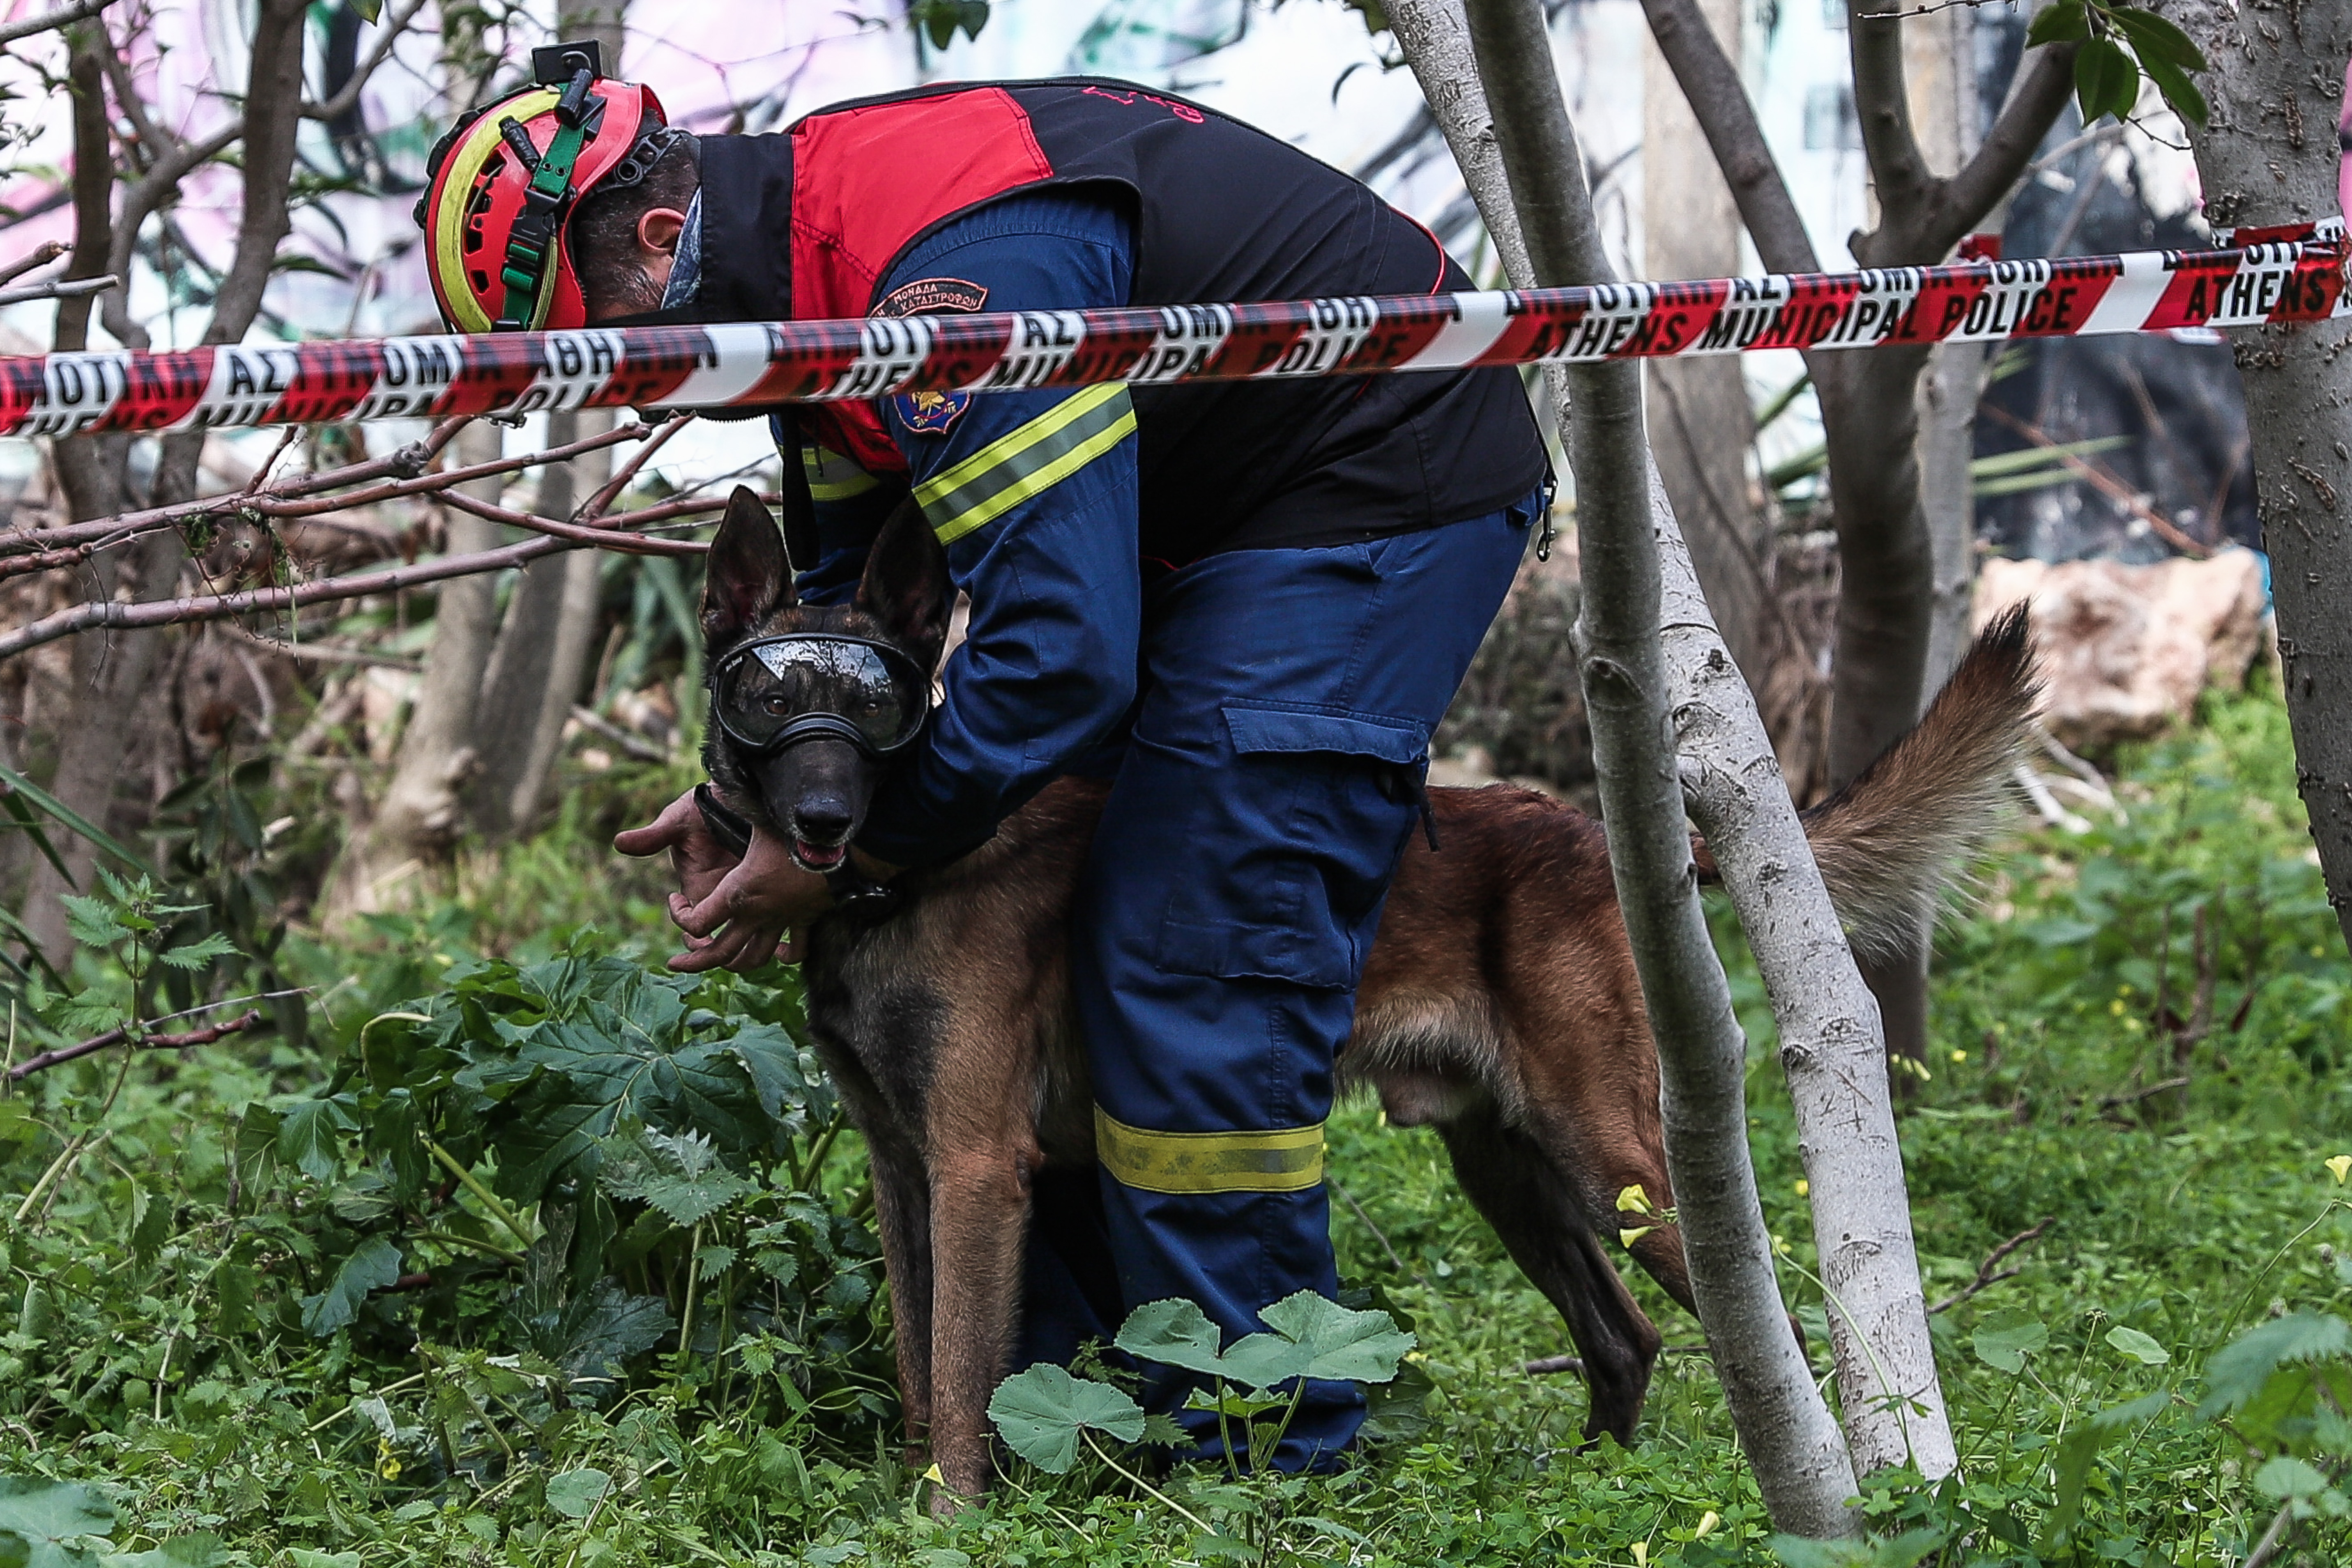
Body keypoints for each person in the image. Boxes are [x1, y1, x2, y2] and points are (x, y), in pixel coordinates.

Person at [417, 53, 1547, 1469]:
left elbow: (1064, 650)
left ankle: (1263, 1448)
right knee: (1045, 930)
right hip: (1197, 508)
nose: (634, 402)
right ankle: (1060, 1417)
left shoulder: (952, 280)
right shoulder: (809, 292)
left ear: (659, 240)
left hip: (1375, 479)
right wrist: (745, 799)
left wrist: (865, 853)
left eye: (617, 355)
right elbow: (840, 630)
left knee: (1188, 932)